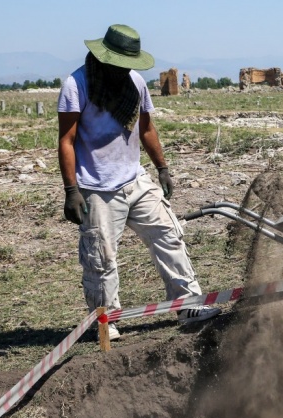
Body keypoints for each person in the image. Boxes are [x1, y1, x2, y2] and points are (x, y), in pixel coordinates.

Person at [57, 24, 215, 341]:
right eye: (119, 62)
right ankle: (106, 321)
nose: (125, 69)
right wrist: (72, 190)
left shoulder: (135, 83)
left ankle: (188, 306)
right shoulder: (77, 85)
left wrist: (163, 167)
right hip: (98, 189)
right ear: (105, 58)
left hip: (135, 180)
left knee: (169, 235)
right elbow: (67, 140)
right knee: (101, 259)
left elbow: (146, 128)